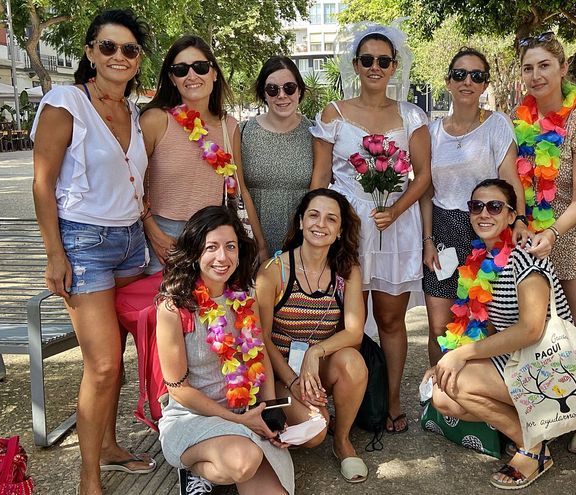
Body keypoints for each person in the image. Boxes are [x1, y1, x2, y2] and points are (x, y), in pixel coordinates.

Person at [30, 9, 155, 495]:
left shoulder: (135, 113)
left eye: (129, 49)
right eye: (108, 47)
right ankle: (88, 480)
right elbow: (42, 184)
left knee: (116, 360)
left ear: (138, 59)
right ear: (90, 52)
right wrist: (54, 254)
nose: (119, 56)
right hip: (85, 244)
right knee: (101, 365)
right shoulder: (66, 103)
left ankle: (107, 446)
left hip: (130, 243)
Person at [310, 23, 431, 434]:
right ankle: (348, 403)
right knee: (345, 322)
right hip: (346, 228)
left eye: (383, 61)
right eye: (367, 60)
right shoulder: (334, 114)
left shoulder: (412, 115)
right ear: (356, 65)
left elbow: (423, 176)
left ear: (394, 66)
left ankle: (391, 401)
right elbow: (320, 177)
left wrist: (394, 210)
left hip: (395, 225)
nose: (375, 67)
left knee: (391, 320)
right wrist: (314, 230)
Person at [429, 178, 572, 490]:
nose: (484, 213)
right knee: (442, 394)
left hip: (552, 366)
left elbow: (531, 329)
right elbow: (486, 328)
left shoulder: (526, 255)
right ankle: (534, 429)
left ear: (510, 216)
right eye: (476, 206)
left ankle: (533, 448)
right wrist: (449, 358)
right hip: (518, 360)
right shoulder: (482, 258)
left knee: (457, 382)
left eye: (494, 207)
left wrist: (461, 356)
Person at [156, 206, 293, 494]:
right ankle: (194, 469)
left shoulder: (245, 297)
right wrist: (240, 421)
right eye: (212, 247)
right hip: (192, 417)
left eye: (230, 246)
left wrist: (268, 410)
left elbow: (260, 354)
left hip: (244, 410)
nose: (222, 257)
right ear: (194, 251)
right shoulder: (173, 308)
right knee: (244, 461)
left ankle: (230, 452)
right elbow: (178, 390)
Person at [513, 32, 576, 454]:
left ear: (563, 68)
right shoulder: (520, 120)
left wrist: (553, 233)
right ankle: (548, 406)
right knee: (536, 326)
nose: (536, 75)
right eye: (528, 68)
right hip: (528, 237)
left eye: (544, 65)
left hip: (569, 234)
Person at [256, 188, 369, 483]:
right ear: (301, 222)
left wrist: (314, 352)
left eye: (331, 219)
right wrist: (292, 381)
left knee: (353, 361)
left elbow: (354, 332)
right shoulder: (274, 271)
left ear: (340, 230)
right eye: (314, 215)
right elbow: (261, 338)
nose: (321, 224)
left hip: (319, 367)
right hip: (279, 374)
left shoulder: (347, 270)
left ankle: (342, 441)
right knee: (315, 433)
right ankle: (275, 427)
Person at [420, 47, 522, 367]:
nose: (468, 81)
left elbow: (511, 180)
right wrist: (427, 239)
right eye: (460, 74)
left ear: (485, 85)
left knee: (483, 325)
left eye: (477, 76)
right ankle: (440, 392)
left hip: (485, 230)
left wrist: (519, 221)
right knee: (439, 327)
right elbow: (426, 191)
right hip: (442, 232)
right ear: (448, 81)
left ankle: (475, 392)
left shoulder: (497, 124)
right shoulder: (432, 132)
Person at [141, 35, 266, 274]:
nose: (191, 75)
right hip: (163, 237)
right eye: (181, 69)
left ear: (214, 73)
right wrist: (154, 233)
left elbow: (241, 188)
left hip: (212, 239)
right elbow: (131, 184)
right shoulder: (155, 120)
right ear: (172, 78)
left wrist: (261, 245)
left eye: (200, 67)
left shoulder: (229, 126)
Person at [241, 57, 314, 255]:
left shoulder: (316, 134)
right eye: (272, 89)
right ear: (263, 94)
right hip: (252, 243)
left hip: (302, 243)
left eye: (289, 88)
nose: (282, 95)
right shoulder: (242, 132)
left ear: (299, 91)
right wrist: (259, 245)